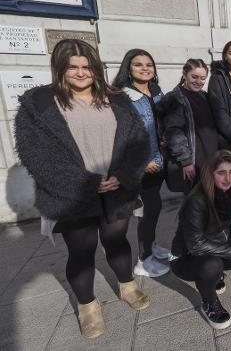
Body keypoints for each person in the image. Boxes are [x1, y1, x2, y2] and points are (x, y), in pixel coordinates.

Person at [15, 39, 151, 339]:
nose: (80, 72)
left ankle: (127, 285)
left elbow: (139, 142)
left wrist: (124, 174)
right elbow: (37, 156)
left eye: (86, 66)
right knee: (82, 251)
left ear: (96, 69)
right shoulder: (38, 104)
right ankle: (87, 306)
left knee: (117, 241)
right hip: (72, 195)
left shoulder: (116, 99)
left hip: (117, 188)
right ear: (60, 70)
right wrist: (88, 182)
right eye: (72, 67)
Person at [170, 150, 231, 330]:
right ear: (210, 174)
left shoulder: (230, 192)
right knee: (211, 266)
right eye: (221, 172)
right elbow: (196, 244)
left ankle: (216, 275)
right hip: (184, 257)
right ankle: (209, 301)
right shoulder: (197, 201)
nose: (227, 178)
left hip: (217, 248)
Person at [112, 49, 170, 278]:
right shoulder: (122, 97)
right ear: (129, 68)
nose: (145, 68)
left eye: (149, 64)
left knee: (154, 209)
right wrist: (141, 162)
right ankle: (143, 261)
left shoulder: (156, 92)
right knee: (146, 212)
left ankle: (151, 245)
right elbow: (119, 136)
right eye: (138, 65)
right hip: (142, 166)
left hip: (160, 162)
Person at [158, 58, 219, 193]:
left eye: (203, 78)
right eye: (194, 77)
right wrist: (186, 161)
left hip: (210, 157)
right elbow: (174, 132)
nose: (198, 82)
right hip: (194, 161)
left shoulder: (205, 96)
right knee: (194, 199)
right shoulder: (176, 98)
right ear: (185, 74)